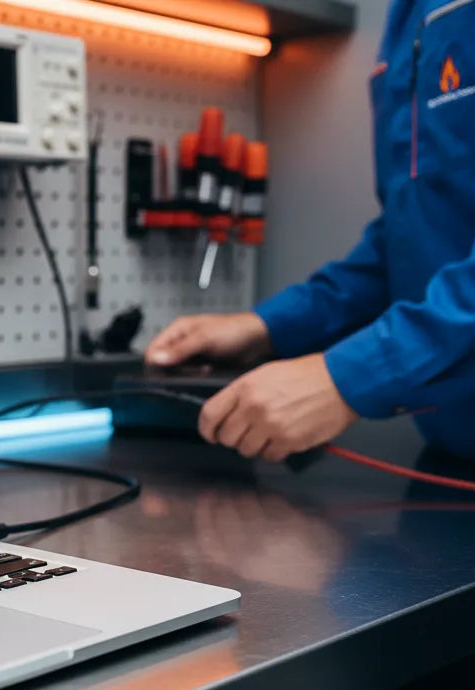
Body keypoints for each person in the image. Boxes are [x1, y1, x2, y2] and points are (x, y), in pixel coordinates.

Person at [144, 0, 475, 462]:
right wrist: (267, 325)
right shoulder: (407, 16)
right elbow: (409, 240)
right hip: (450, 457)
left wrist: (349, 377)